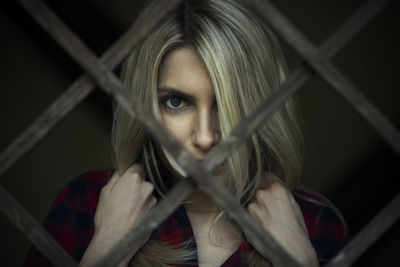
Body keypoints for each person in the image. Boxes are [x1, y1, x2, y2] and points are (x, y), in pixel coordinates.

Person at [25, 0, 349, 266]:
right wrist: (106, 251)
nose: (206, 137)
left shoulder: (314, 224)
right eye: (176, 102)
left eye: (229, 101)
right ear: (146, 107)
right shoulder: (85, 206)